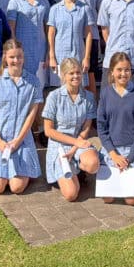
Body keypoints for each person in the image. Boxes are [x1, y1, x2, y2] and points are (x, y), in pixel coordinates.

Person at [0, 39, 42, 195]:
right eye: (12, 57)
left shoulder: (33, 82)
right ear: (5, 57)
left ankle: (23, 168)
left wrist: (18, 141)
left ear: (23, 57)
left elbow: (31, 116)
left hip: (20, 139)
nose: (16, 61)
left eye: (19, 56)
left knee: (17, 188)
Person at [42, 57, 100, 201]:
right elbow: (48, 131)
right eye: (71, 73)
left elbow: (87, 127)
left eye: (78, 73)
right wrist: (75, 143)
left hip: (79, 142)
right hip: (59, 144)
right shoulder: (54, 97)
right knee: (71, 195)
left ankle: (78, 169)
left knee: (93, 165)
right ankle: (67, 173)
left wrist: (75, 146)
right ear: (63, 75)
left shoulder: (89, 97)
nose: (76, 76)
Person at [97, 51, 134, 205]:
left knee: (131, 200)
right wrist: (113, 155)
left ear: (131, 71)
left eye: (127, 70)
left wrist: (128, 159)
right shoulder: (106, 93)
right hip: (113, 150)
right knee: (108, 198)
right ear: (112, 71)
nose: (123, 74)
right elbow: (101, 126)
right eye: (119, 70)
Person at [47, 0, 94, 88]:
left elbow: (88, 34)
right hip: (60, 56)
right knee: (60, 89)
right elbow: (51, 34)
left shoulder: (84, 8)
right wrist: (52, 57)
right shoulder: (55, 9)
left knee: (78, 87)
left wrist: (86, 58)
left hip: (78, 54)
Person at [6, 0, 50, 85]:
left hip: (40, 51)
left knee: (39, 89)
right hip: (22, 53)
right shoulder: (14, 3)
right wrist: (15, 52)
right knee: (22, 86)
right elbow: (11, 29)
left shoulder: (44, 3)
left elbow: (48, 30)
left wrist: (48, 53)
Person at [72, 0, 104, 95]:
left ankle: (92, 112)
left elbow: (102, 11)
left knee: (89, 72)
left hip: (91, 35)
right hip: (72, 35)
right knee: (73, 71)